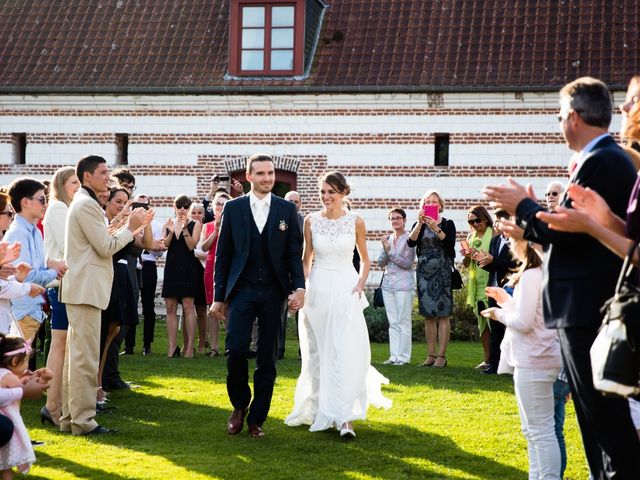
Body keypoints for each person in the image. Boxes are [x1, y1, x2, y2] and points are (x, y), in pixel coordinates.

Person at [483, 77, 640, 477]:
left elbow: (567, 231)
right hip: (582, 305)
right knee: (594, 422)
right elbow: (571, 232)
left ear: (572, 117)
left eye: (557, 115)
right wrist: (531, 221)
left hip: (587, 307)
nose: (558, 123)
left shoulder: (603, 160)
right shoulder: (604, 158)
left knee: (605, 423)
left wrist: (524, 207)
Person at [285, 171, 392, 439]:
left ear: (343, 193)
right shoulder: (310, 221)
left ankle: (346, 418)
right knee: (320, 353)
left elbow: (365, 259)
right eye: (322, 191)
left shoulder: (356, 221)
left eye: (331, 192)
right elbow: (306, 259)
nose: (326, 197)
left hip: (346, 288)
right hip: (318, 291)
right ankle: (322, 407)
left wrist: (360, 284)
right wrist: (301, 289)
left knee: (345, 351)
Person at [211, 154, 305, 438]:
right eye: (261, 173)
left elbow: (293, 255)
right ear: (249, 177)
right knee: (236, 349)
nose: (267, 178)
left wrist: (298, 288)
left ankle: (257, 419)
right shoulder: (233, 208)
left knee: (268, 357)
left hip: (274, 292)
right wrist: (218, 296)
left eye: (271, 173)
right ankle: (239, 405)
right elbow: (223, 256)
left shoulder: (287, 210)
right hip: (241, 290)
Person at [59, 155, 147, 435]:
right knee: (85, 358)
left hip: (83, 288)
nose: (108, 178)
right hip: (85, 289)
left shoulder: (85, 204)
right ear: (87, 176)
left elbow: (98, 242)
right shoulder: (87, 205)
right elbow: (105, 246)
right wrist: (131, 228)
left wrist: (122, 225)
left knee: (78, 356)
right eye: (102, 173)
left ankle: (70, 418)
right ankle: (83, 421)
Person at [482, 239, 562, 479]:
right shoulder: (545, 271)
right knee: (535, 430)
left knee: (540, 432)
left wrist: (498, 313)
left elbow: (524, 323)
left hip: (534, 358)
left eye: (512, 240)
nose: (509, 245)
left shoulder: (530, 275)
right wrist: (506, 301)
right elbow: (530, 312)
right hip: (544, 356)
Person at [5, 178, 67, 346]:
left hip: (31, 310)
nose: (45, 204)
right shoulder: (18, 233)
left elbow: (37, 263)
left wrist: (50, 263)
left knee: (23, 366)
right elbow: (26, 276)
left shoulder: (34, 231)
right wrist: (55, 271)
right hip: (21, 312)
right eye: (41, 199)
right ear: (25, 202)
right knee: (16, 366)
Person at [40, 167, 80, 426]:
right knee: (60, 343)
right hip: (60, 284)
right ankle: (52, 405)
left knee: (64, 344)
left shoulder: (68, 209)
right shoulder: (58, 209)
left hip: (69, 283)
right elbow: (69, 247)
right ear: (61, 185)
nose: (77, 186)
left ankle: (58, 403)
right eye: (73, 182)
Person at [408, 191, 456, 368]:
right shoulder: (418, 224)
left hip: (442, 271)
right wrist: (420, 224)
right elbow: (411, 243)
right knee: (428, 314)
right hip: (424, 272)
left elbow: (449, 243)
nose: (431, 204)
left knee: (443, 315)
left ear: (440, 205)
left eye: (434, 202)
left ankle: (441, 357)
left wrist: (435, 227)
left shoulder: (448, 223)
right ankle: (430, 355)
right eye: (427, 202)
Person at [0, 335, 52, 477]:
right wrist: (35, 380)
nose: (28, 365)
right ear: (15, 360)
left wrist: (28, 378)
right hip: (8, 422)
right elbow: (26, 390)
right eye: (26, 361)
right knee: (6, 464)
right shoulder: (9, 376)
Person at [476, 209, 517, 375]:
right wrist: (482, 261)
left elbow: (514, 265)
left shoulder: (516, 241)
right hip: (493, 289)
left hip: (508, 290)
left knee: (509, 329)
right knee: (495, 330)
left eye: (497, 221)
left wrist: (493, 260)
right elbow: (491, 265)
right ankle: (494, 365)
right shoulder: (495, 240)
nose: (495, 224)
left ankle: (511, 365)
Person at [162, 195, 202, 358]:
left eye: (186, 206)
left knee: (188, 306)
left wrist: (184, 229)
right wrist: (171, 232)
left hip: (188, 268)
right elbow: (165, 245)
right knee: (170, 307)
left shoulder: (195, 224)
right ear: (174, 207)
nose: (182, 209)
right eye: (179, 206)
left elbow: (192, 245)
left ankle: (190, 347)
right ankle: (172, 347)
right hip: (172, 268)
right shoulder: (169, 223)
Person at [378, 208, 415, 365]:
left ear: (404, 220)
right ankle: (394, 356)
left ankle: (404, 357)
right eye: (392, 218)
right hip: (387, 285)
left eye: (398, 218)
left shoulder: (410, 240)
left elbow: (407, 263)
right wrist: (386, 250)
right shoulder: (388, 238)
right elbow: (381, 262)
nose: (395, 221)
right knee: (392, 322)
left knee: (403, 321)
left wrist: (389, 251)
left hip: (404, 285)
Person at [462, 205, 494, 369]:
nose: (475, 224)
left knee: (494, 323)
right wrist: (468, 256)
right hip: (477, 285)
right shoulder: (470, 237)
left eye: (477, 220)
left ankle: (498, 360)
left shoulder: (495, 234)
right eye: (471, 221)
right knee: (482, 324)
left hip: (491, 282)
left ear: (485, 218)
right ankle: (487, 359)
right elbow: (467, 264)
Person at [201, 192, 230, 357]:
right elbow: (204, 248)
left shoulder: (234, 223)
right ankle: (213, 347)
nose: (220, 207)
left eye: (224, 204)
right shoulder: (208, 225)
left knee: (227, 307)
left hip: (228, 267)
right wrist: (216, 230)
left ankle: (230, 344)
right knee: (211, 307)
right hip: (211, 266)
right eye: (218, 203)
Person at [137, 195, 165, 356]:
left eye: (145, 206)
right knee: (130, 303)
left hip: (147, 265)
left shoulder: (156, 225)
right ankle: (128, 345)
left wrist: (154, 246)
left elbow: (160, 254)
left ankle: (147, 344)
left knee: (148, 305)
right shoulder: (130, 222)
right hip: (133, 264)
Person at [279, 190, 304, 359]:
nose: (293, 204)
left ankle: (304, 350)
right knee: (279, 311)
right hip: (280, 271)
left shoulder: (306, 222)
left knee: (301, 312)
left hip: (300, 270)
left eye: (296, 201)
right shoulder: (278, 219)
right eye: (289, 201)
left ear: (300, 204)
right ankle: (278, 349)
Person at [188, 203, 208, 354]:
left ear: (203, 214)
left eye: (199, 212)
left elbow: (210, 254)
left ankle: (202, 342)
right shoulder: (186, 229)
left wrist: (194, 252)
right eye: (193, 212)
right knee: (188, 310)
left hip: (203, 271)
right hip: (188, 271)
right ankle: (188, 344)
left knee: (201, 310)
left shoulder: (207, 229)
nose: (196, 215)